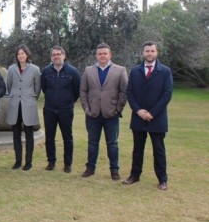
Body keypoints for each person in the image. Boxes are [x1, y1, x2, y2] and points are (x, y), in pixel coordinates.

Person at [123, 41, 173, 191]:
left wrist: (152, 113)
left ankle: (162, 180)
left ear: (157, 52)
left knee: (159, 150)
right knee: (137, 149)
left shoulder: (165, 71)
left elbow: (167, 94)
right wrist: (138, 111)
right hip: (138, 117)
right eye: (147, 51)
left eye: (152, 51)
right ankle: (134, 175)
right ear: (143, 53)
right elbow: (130, 93)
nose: (149, 53)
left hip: (157, 118)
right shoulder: (135, 70)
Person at [80, 43, 128, 180]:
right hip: (93, 113)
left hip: (111, 114)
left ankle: (114, 170)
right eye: (99, 53)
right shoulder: (88, 71)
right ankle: (90, 168)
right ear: (96, 55)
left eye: (105, 53)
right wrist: (86, 108)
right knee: (92, 142)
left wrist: (118, 109)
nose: (102, 56)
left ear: (110, 55)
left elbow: (124, 91)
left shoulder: (120, 70)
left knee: (112, 143)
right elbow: (83, 90)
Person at [41, 45, 81, 173]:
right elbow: (44, 88)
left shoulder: (73, 72)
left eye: (58, 54)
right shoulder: (46, 71)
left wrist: (68, 101)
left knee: (67, 138)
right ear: (51, 57)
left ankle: (67, 164)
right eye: (54, 54)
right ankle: (51, 162)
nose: (56, 56)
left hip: (66, 110)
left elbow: (77, 91)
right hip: (49, 110)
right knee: (49, 137)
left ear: (64, 55)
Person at [6, 45, 41, 171]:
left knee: (29, 134)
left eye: (23, 53)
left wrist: (30, 99)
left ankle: (28, 162)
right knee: (16, 134)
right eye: (19, 53)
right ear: (16, 56)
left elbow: (37, 88)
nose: (21, 55)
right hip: (15, 105)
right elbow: (9, 86)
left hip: (29, 105)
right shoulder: (11, 69)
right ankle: (18, 160)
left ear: (27, 55)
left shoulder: (35, 69)